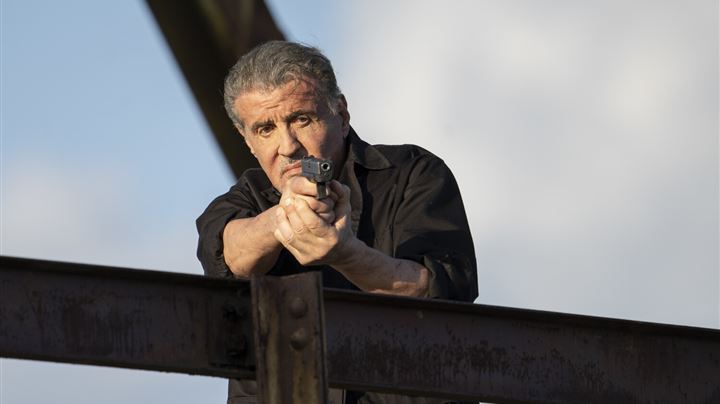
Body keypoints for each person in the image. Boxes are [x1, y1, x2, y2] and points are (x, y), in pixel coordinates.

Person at [196, 41, 478, 404]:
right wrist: (285, 216)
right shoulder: (245, 198)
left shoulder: (414, 174)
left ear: (341, 116)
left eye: (301, 119)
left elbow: (445, 292)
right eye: (265, 129)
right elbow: (228, 253)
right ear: (247, 140)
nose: (288, 146)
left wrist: (347, 254)